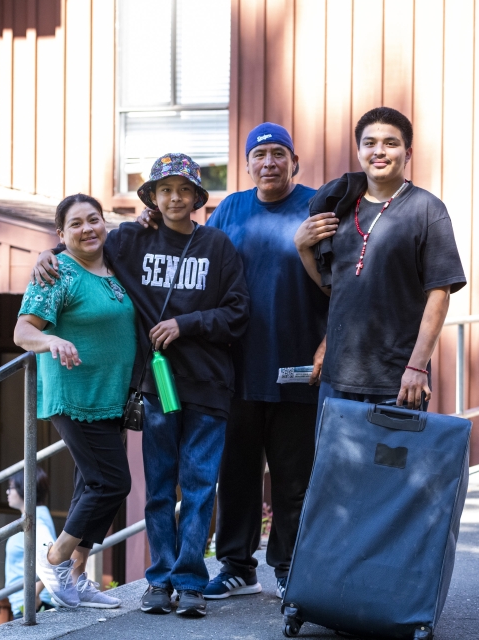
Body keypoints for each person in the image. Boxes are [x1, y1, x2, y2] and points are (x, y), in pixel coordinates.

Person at [33, 153, 250, 618]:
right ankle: (160, 580)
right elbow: (81, 246)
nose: (175, 198)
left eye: (184, 190)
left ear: (196, 198)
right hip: (157, 388)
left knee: (198, 487)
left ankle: (191, 580)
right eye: (165, 190)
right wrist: (44, 257)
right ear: (152, 197)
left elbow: (238, 313)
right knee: (157, 488)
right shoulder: (132, 239)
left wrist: (185, 324)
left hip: (210, 386)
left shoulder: (218, 246)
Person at [135, 123, 328, 601]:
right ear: (246, 164)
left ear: (294, 161)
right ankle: (238, 566)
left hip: (300, 365)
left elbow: (338, 279)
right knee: (236, 473)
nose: (269, 163)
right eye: (259, 154)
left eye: (278, 154)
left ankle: (287, 565)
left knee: (292, 476)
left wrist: (328, 342)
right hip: (234, 368)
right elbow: (194, 257)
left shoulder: (317, 205)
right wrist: (151, 223)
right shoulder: (230, 211)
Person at [294, 106, 467, 414]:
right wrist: (303, 248)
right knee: (336, 465)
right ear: (359, 151)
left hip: (397, 383)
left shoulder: (427, 210)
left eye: (391, 143)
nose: (379, 151)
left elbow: (439, 294)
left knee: (390, 465)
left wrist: (417, 367)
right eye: (370, 143)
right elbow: (334, 290)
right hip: (338, 380)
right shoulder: (341, 207)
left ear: (407, 152)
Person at [14, 193, 135, 611]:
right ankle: (54, 559)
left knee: (90, 485)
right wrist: (51, 339)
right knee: (112, 483)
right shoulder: (58, 273)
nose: (88, 229)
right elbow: (22, 331)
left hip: (111, 396)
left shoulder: (114, 267)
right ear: (61, 234)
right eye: (77, 224)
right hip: (74, 395)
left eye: (94, 220)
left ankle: (78, 579)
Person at [3, 467, 57, 617]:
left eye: (10, 488)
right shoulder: (35, 516)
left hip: (34, 604)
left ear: (24, 489)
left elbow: (53, 554)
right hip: (30, 602)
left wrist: (33, 595)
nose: (7, 492)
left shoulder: (36, 520)